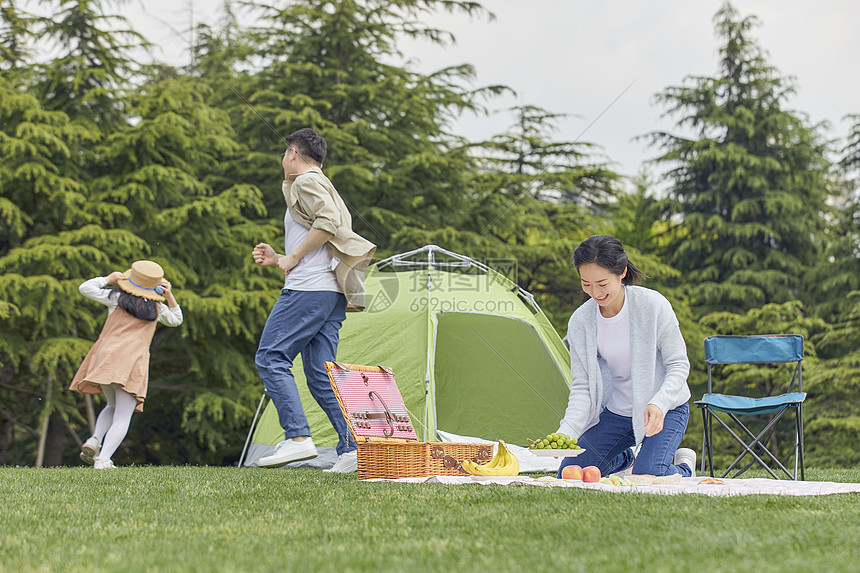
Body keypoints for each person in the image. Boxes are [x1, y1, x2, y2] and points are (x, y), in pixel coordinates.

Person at [252, 127, 375, 473]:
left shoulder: (306, 182)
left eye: (283, 153)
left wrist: (291, 260)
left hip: (309, 290)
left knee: (271, 358)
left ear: (292, 153)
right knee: (322, 376)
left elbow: (328, 225)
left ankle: (297, 439)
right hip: (330, 292)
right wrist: (280, 257)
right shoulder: (325, 185)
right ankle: (352, 449)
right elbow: (320, 236)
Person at [556, 234, 697, 479]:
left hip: (664, 411)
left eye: (602, 283)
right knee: (570, 473)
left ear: (621, 272)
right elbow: (582, 387)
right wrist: (565, 433)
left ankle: (684, 468)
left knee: (648, 475)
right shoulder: (580, 322)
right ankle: (624, 459)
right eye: (586, 284)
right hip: (616, 415)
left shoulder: (653, 306)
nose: (595, 293)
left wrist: (659, 403)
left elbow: (678, 364)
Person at [70, 260, 183, 469]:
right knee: (123, 415)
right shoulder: (157, 309)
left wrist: (108, 279)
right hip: (131, 362)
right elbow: (177, 319)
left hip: (106, 358)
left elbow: (85, 288)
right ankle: (103, 460)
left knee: (111, 405)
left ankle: (95, 439)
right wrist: (169, 297)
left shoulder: (116, 299)